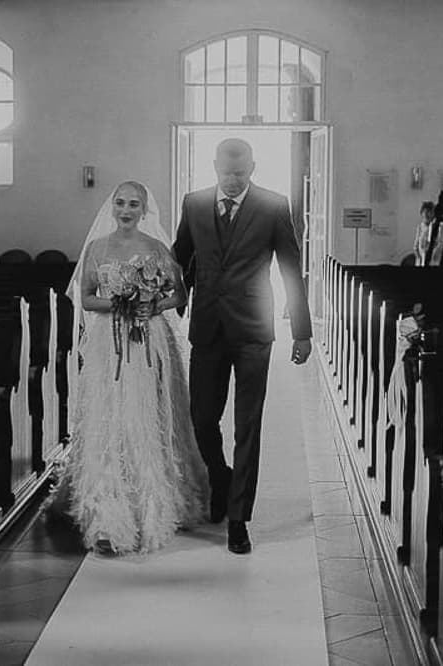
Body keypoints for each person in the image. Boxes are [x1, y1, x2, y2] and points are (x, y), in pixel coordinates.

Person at [48, 181, 208, 555]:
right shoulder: (96, 248)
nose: (126, 210)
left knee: (145, 416)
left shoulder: (155, 248)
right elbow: (86, 298)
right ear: (112, 207)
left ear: (143, 210)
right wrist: (117, 304)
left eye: (133, 204)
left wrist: (152, 305)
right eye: (120, 203)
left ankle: (153, 505)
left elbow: (180, 294)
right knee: (110, 416)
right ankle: (107, 514)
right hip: (109, 342)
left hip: (149, 340)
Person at [173, 138, 312, 555]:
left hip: (254, 329)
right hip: (208, 327)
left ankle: (238, 518)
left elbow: (290, 268)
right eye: (226, 172)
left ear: (252, 168)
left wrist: (302, 331)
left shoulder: (273, 205)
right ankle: (220, 477)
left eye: (240, 172)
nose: (233, 180)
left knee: (247, 426)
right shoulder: (194, 203)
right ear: (214, 166)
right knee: (202, 419)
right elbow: (179, 257)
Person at [413, 200, 438, 266]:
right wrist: (419, 258)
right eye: (424, 212)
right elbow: (415, 246)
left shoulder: (437, 227)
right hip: (421, 261)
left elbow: (437, 245)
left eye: (429, 212)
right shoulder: (420, 227)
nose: (426, 214)